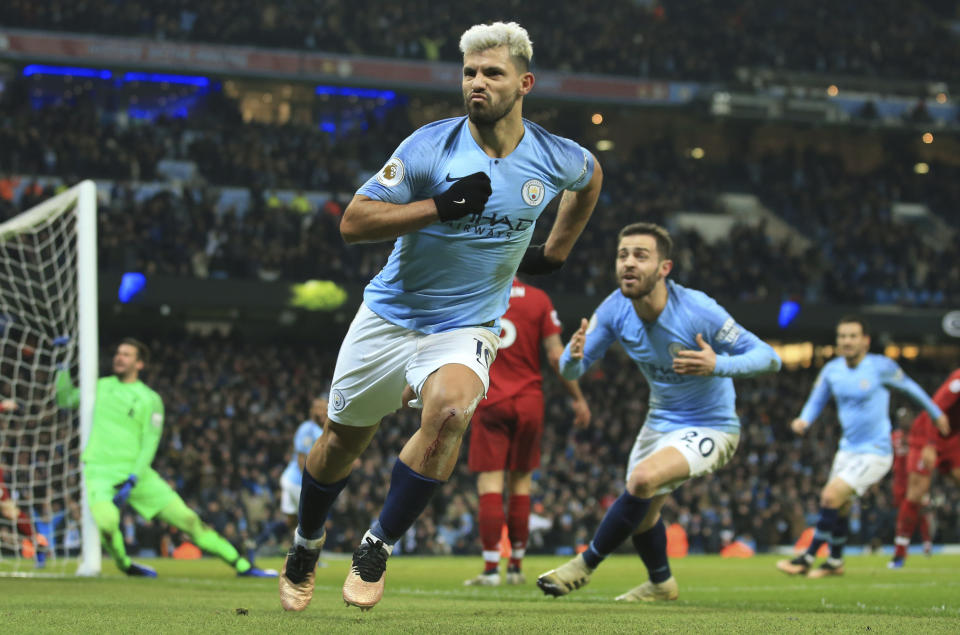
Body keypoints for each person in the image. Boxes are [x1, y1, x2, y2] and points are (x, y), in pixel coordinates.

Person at [278, 21, 602, 613]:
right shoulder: (430, 146)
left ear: (524, 83)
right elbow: (353, 222)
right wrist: (438, 207)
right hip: (389, 317)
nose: (477, 83)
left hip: (467, 325)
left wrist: (556, 251)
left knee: (453, 411)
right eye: (470, 73)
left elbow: (591, 178)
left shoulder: (554, 157)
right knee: (340, 446)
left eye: (492, 74)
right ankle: (306, 543)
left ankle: (377, 545)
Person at [535, 222, 781, 602]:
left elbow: (770, 358)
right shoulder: (615, 308)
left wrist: (718, 365)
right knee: (643, 515)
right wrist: (572, 355)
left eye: (640, 256)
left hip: (712, 426)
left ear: (664, 268)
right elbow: (572, 371)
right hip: (659, 422)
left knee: (642, 480)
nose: (628, 264)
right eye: (622, 255)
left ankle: (583, 565)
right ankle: (661, 583)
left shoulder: (698, 310)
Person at [56, 338, 276, 578]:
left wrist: (133, 478)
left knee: (189, 520)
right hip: (99, 470)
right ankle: (125, 564)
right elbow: (65, 399)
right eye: (118, 353)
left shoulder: (150, 399)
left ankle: (242, 565)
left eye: (127, 354)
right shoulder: (100, 386)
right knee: (107, 524)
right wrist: (61, 367)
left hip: (137, 474)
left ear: (140, 364)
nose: (119, 357)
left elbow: (150, 443)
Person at [776, 318, 946, 578]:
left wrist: (935, 414)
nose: (847, 341)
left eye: (853, 336)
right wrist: (804, 419)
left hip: (875, 450)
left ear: (865, 340)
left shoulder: (880, 367)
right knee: (840, 506)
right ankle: (835, 562)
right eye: (842, 336)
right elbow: (816, 400)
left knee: (830, 496)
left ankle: (806, 558)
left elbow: (911, 388)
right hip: (847, 450)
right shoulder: (832, 370)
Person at [463, 277, 591, 587]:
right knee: (521, 482)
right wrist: (577, 398)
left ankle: (492, 569)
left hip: (491, 398)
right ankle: (517, 567)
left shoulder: (480, 291)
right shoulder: (538, 299)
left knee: (490, 482)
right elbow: (554, 355)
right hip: (529, 401)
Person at [889, 368, 959, 568]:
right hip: (928, 434)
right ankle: (900, 553)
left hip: (953, 438)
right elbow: (934, 407)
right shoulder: (958, 381)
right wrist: (930, 444)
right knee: (916, 494)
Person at [253, 396, 328, 557]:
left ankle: (256, 543)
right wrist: (310, 482)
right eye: (320, 408)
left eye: (325, 407)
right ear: (312, 411)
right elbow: (302, 458)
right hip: (297, 481)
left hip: (294, 480)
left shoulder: (323, 430)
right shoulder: (308, 429)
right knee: (311, 520)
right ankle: (308, 555)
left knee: (291, 522)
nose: (324, 411)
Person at [890, 409, 933, 561]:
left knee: (921, 513)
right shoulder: (894, 436)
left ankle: (926, 543)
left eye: (906, 418)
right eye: (901, 419)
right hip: (900, 483)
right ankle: (902, 547)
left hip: (916, 480)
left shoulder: (918, 436)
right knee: (903, 516)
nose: (904, 421)